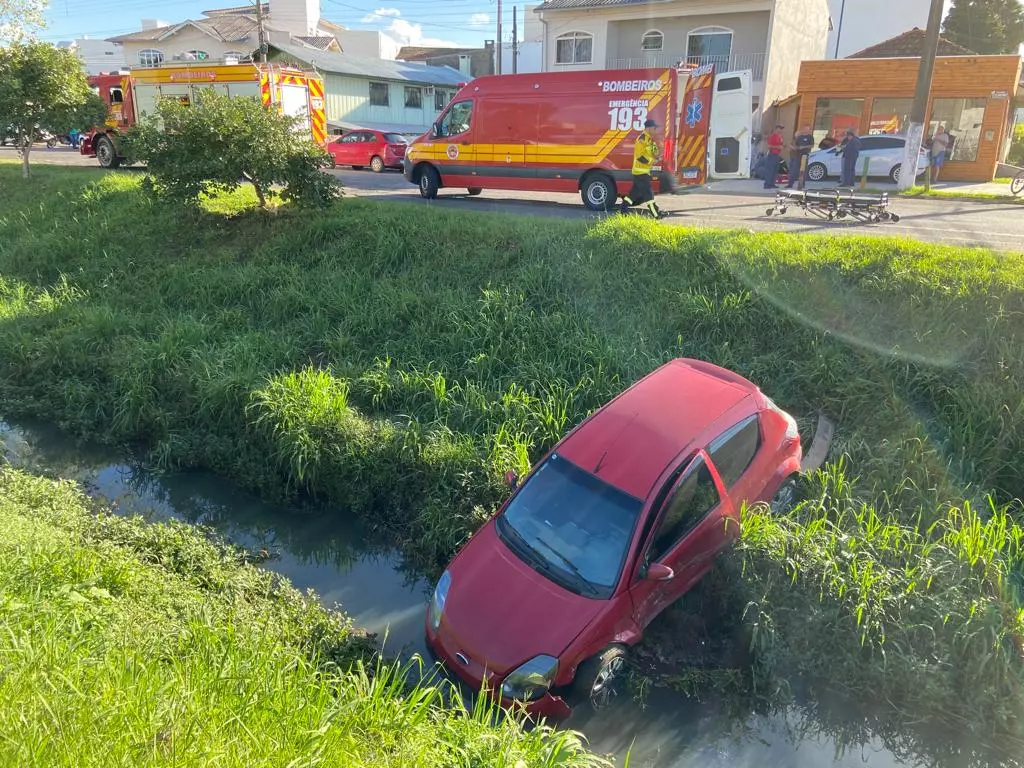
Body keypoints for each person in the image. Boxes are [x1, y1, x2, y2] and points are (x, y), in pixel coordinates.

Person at [620, 118, 663, 218]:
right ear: (648, 128)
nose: (655, 130)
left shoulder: (650, 140)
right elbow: (640, 156)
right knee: (649, 194)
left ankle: (623, 209)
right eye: (654, 128)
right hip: (640, 172)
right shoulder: (642, 139)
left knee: (633, 194)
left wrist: (658, 154)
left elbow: (654, 153)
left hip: (644, 171)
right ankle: (656, 215)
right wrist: (652, 161)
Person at [788, 124, 814, 189]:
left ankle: (802, 184)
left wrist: (804, 147)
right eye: (805, 128)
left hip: (805, 155)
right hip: (798, 155)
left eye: (807, 129)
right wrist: (795, 148)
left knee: (803, 170)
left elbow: (812, 145)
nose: (806, 130)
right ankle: (790, 184)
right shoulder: (799, 137)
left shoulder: (810, 137)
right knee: (794, 169)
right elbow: (796, 145)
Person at [763, 124, 784, 189]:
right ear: (776, 129)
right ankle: (767, 184)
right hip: (772, 155)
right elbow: (769, 146)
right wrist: (778, 147)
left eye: (781, 129)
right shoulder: (772, 136)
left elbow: (780, 144)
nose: (780, 130)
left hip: (777, 155)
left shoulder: (779, 136)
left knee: (775, 170)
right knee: (770, 170)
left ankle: (772, 184)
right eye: (779, 128)